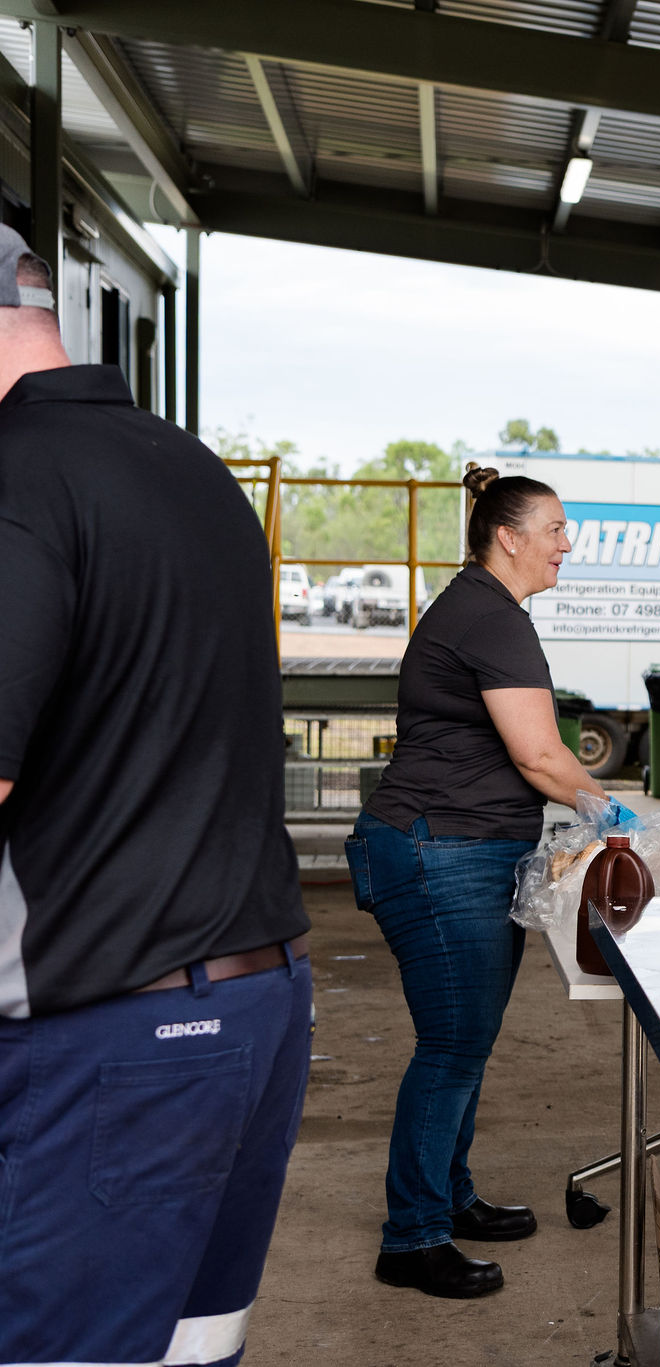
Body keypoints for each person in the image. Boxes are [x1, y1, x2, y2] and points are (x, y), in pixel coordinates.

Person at [0, 226, 312, 1367]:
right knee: (186, 1346)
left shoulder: (17, 477)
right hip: (251, 1003)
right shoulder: (188, 466)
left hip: (113, 1028)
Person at [348, 467, 611, 1298]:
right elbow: (540, 755)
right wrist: (613, 812)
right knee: (452, 1044)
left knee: (468, 1037)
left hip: (460, 847)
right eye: (556, 528)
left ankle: (450, 1195)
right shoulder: (491, 617)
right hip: (440, 852)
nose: (567, 544)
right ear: (509, 535)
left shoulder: (485, 608)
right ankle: (412, 1235)